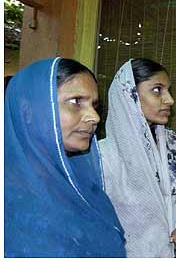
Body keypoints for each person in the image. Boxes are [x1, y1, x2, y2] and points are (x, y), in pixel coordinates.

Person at [5, 57, 126, 257]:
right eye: (76, 102)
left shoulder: (84, 187)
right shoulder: (10, 198)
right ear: (28, 111)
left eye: (94, 105)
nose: (94, 117)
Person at [99, 58, 176, 257]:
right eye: (157, 90)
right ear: (129, 95)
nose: (170, 99)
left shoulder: (171, 146)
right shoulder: (103, 156)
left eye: (168, 90)